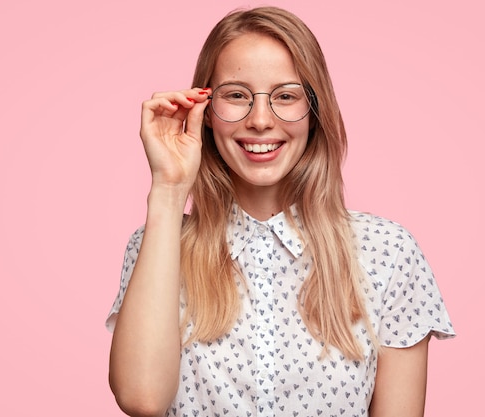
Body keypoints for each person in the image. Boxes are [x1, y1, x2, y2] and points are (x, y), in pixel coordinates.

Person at [106, 6, 455, 417]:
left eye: (286, 96)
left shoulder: (387, 253)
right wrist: (167, 188)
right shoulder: (158, 247)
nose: (260, 120)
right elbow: (141, 399)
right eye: (236, 95)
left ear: (314, 110)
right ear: (204, 111)